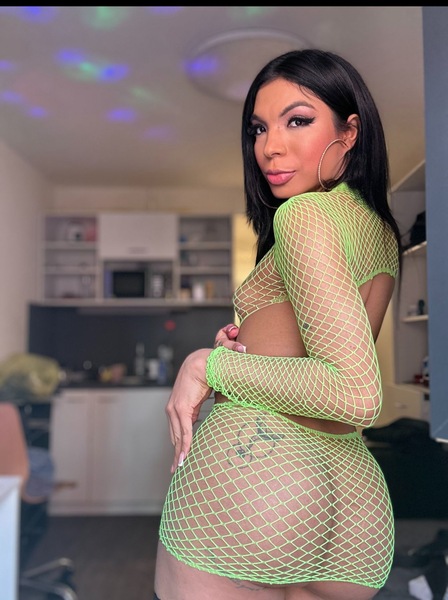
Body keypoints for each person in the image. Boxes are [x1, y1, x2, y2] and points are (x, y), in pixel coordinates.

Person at [154, 48, 401, 600]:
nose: (270, 147)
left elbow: (355, 392)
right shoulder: (378, 228)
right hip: (353, 503)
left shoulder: (304, 215)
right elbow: (321, 351)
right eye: (259, 128)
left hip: (265, 479)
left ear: (350, 131)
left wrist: (208, 366)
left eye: (298, 121)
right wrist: (250, 347)